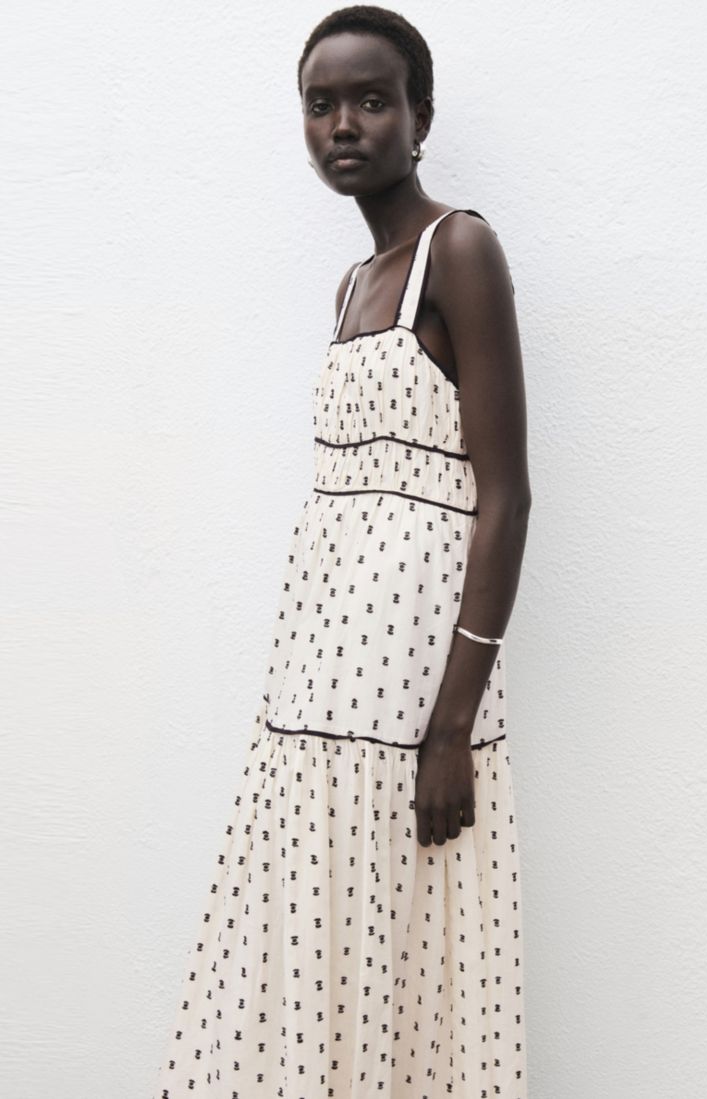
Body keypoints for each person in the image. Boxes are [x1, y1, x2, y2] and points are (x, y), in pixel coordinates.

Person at [153, 6, 531, 1096]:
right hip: (311, 693)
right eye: (321, 105)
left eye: (372, 100)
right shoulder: (354, 286)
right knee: (310, 959)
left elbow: (505, 497)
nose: (344, 125)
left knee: (404, 957)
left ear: (421, 117)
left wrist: (452, 725)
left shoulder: (460, 250)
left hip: (411, 701)